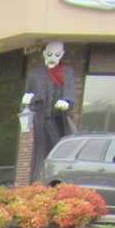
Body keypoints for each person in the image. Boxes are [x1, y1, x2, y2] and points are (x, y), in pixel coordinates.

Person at [21, 41, 75, 180]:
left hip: (58, 118)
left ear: (62, 55)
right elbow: (27, 96)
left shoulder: (66, 72)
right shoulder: (35, 74)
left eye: (57, 54)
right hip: (40, 117)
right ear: (45, 53)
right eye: (50, 54)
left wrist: (66, 101)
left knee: (58, 148)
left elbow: (69, 92)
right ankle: (36, 180)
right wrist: (26, 101)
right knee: (40, 149)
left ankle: (56, 178)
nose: (53, 58)